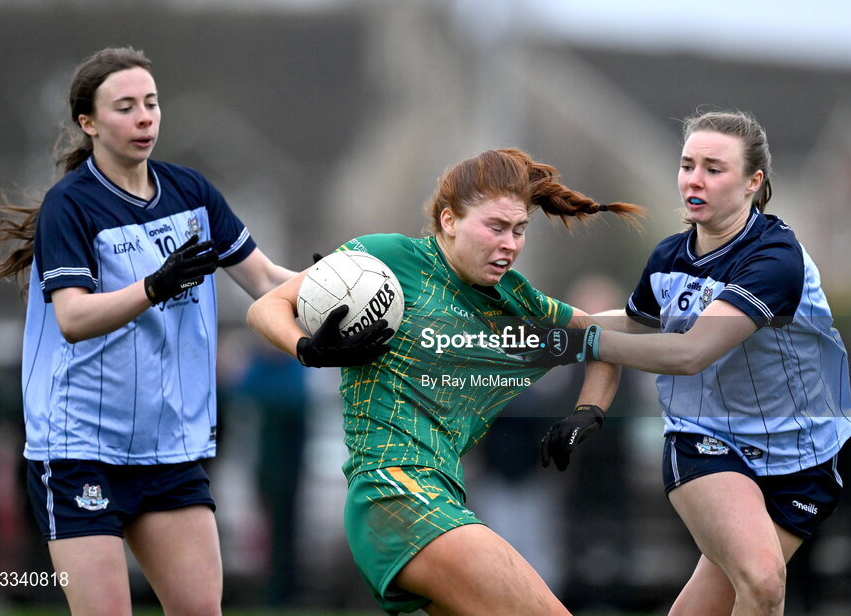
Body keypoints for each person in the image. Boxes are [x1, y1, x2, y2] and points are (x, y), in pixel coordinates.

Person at [0, 47, 390, 615]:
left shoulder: (191, 193)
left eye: (151, 103)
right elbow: (72, 318)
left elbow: (266, 278)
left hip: (168, 448)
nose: (145, 117)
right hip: (79, 450)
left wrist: (330, 296)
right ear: (89, 123)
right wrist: (154, 285)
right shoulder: (69, 207)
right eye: (125, 107)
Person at [247, 148, 643, 615]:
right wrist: (306, 349)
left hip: (442, 496)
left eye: (519, 231)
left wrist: (587, 413)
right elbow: (265, 307)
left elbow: (601, 342)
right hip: (393, 492)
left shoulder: (516, 302)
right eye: (495, 227)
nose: (510, 244)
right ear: (450, 220)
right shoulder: (384, 257)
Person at [536, 110, 851, 615]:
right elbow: (633, 325)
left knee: (715, 602)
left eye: (714, 168)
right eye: (688, 165)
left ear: (754, 182)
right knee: (765, 579)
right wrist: (552, 332)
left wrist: (587, 340)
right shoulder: (668, 257)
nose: (695, 179)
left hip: (803, 455)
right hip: (706, 439)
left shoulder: (775, 257)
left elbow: (689, 352)